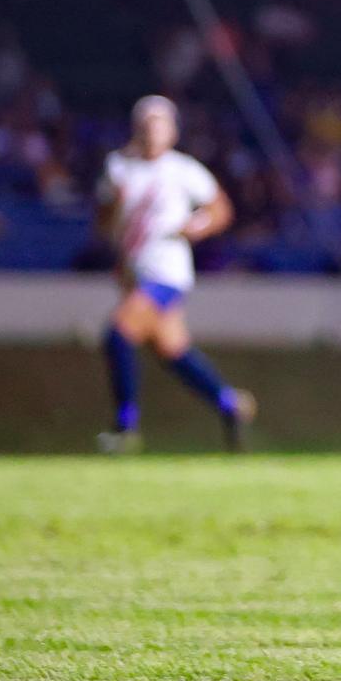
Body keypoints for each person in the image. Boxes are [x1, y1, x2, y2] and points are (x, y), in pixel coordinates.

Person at [93, 96, 256, 452]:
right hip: (135, 273)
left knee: (118, 335)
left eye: (160, 123)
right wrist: (114, 211)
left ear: (173, 130)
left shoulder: (183, 169)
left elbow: (220, 210)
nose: (153, 130)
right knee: (173, 352)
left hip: (167, 274)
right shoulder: (119, 167)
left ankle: (126, 428)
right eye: (147, 123)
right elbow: (104, 223)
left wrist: (196, 226)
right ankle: (230, 404)